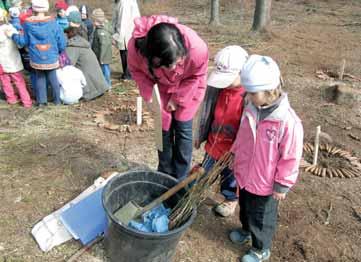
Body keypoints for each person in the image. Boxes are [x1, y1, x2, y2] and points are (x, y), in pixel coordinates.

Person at [229, 55, 304, 262]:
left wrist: (282, 184)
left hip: (266, 183)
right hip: (245, 175)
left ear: (270, 90)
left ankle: (261, 247)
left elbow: (290, 156)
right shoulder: (251, 109)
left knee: (261, 217)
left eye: (253, 93)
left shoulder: (287, 122)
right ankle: (246, 230)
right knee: (245, 208)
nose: (249, 96)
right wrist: (234, 154)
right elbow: (243, 136)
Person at [128, 15, 208, 180]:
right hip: (159, 86)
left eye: (176, 62)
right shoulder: (137, 48)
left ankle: (180, 176)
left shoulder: (197, 49)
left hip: (188, 86)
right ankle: (164, 172)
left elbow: (196, 75)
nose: (172, 67)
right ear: (152, 57)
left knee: (182, 126)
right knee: (162, 126)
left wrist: (178, 99)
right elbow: (137, 72)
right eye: (167, 64)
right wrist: (150, 97)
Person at [195, 45, 248, 217]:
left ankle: (230, 199)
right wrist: (200, 135)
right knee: (206, 170)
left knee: (229, 177)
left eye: (229, 79)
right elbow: (206, 113)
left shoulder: (248, 97)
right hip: (213, 142)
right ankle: (199, 190)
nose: (224, 84)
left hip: (232, 151)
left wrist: (237, 152)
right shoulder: (217, 89)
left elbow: (247, 132)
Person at [9, 0, 66, 106]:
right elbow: (61, 41)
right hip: (51, 55)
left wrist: (13, 35)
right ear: (46, 8)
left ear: (34, 8)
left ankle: (41, 102)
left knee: (40, 77)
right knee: (53, 77)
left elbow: (23, 41)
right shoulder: (53, 23)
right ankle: (57, 101)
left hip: (36, 56)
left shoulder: (27, 24)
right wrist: (59, 51)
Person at [64, 21, 110, 100]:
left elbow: (66, 65)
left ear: (70, 33)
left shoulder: (73, 46)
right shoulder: (82, 43)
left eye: (66, 33)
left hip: (92, 90)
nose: (65, 35)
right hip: (100, 85)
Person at [0, 9, 32, 108]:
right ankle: (26, 101)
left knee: (5, 81)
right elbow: (19, 44)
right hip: (13, 60)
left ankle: (11, 99)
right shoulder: (10, 28)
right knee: (19, 81)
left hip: (1, 61)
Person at [112, 0, 140, 80]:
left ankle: (128, 75)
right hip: (131, 32)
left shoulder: (123, 3)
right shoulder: (130, 1)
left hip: (126, 33)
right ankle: (128, 74)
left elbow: (122, 22)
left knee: (125, 54)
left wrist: (117, 37)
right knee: (129, 54)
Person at [91, 8, 112, 88]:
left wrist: (101, 58)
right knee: (104, 69)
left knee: (105, 70)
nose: (93, 22)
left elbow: (104, 45)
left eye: (94, 21)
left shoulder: (102, 33)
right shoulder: (99, 28)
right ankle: (105, 83)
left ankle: (107, 84)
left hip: (103, 56)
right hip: (101, 54)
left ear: (98, 21)